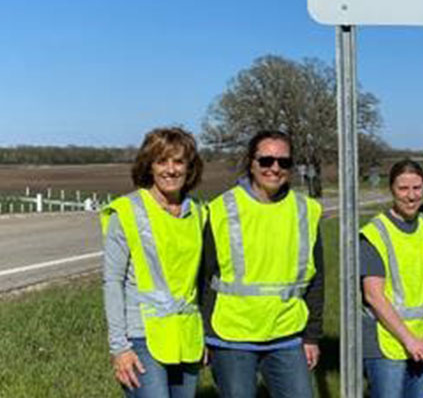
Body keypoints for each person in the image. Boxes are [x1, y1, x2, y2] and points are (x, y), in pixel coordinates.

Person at [201, 131, 323, 398]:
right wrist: (205, 333)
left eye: (283, 162)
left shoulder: (306, 210)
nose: (275, 168)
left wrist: (312, 336)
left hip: (288, 334)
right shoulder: (221, 208)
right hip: (232, 335)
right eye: (266, 160)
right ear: (251, 163)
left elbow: (316, 279)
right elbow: (205, 276)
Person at [101, 127, 205, 397]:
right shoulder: (126, 212)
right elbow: (112, 282)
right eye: (162, 161)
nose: (171, 170)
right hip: (141, 336)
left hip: (187, 337)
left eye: (179, 161)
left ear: (189, 167)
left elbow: (202, 281)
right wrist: (119, 348)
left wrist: (204, 334)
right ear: (149, 167)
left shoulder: (199, 213)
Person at [360, 159, 423, 398]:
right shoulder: (375, 233)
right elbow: (373, 296)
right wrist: (409, 341)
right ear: (392, 190)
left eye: (417, 188)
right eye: (403, 189)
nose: (411, 196)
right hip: (386, 343)